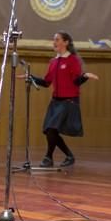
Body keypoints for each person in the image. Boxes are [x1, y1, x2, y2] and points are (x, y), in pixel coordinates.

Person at [26, 31, 99, 168]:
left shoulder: (73, 60)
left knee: (52, 128)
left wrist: (85, 76)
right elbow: (47, 82)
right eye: (54, 40)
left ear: (66, 42)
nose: (54, 42)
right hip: (55, 101)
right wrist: (31, 78)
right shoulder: (53, 62)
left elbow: (76, 81)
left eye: (57, 39)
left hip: (68, 101)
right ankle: (69, 156)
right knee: (49, 130)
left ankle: (48, 157)